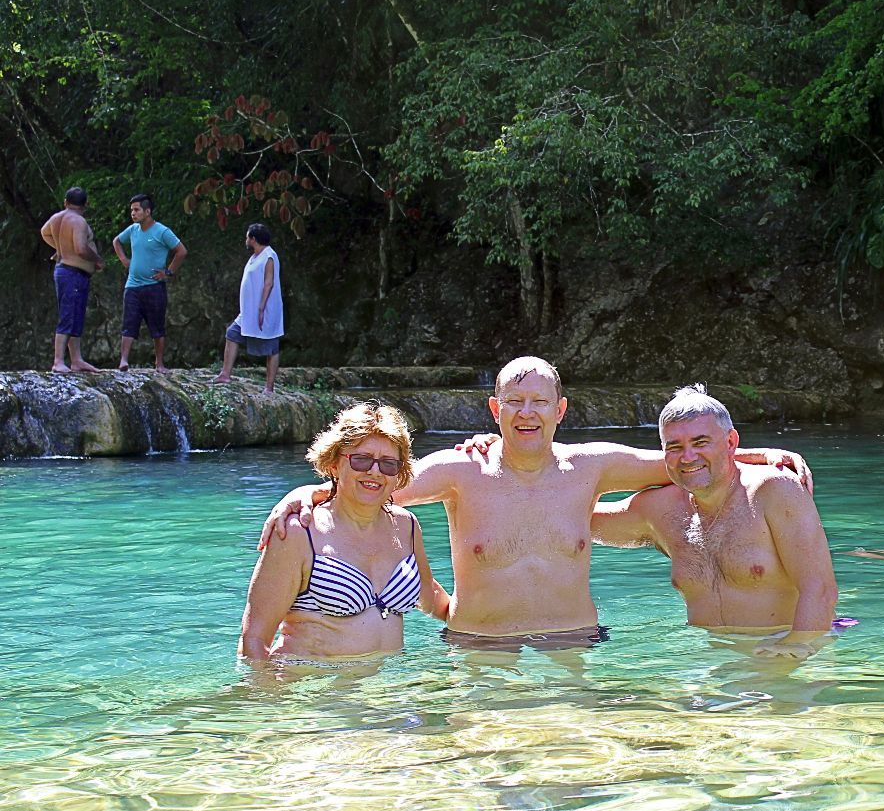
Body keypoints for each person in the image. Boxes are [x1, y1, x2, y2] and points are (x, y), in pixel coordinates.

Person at [260, 356, 810, 650]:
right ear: (495, 409)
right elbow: (376, 485)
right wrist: (306, 490)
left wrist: (755, 453)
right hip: (479, 645)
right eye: (516, 402)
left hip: (576, 641)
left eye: (539, 402)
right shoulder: (459, 470)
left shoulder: (593, 466)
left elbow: (682, 462)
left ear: (560, 409)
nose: (528, 413)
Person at [591, 385, 840, 660]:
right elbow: (574, 519)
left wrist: (794, 649)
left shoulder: (774, 489)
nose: (687, 457)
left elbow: (820, 590)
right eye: (674, 447)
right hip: (709, 662)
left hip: (785, 652)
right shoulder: (658, 510)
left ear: (731, 442)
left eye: (701, 443)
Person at [239, 403, 449, 662]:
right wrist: (268, 699)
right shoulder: (299, 532)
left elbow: (432, 598)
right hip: (312, 692)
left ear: (399, 473)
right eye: (361, 459)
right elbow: (254, 640)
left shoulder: (406, 526)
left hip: (388, 694)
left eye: (388, 464)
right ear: (335, 464)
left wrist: (494, 618)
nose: (374, 471)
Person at [112, 194, 187, 372]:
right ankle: (123, 360)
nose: (133, 213)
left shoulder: (162, 231)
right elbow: (116, 241)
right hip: (132, 285)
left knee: (157, 325)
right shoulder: (132, 230)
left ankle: (159, 363)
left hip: (154, 286)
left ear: (147, 211)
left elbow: (181, 251)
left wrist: (168, 271)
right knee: (129, 323)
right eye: (131, 210)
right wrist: (123, 259)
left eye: (136, 210)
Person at [212, 223, 283, 393]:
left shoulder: (269, 256)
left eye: (247, 237)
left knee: (271, 346)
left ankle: (269, 387)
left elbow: (268, 283)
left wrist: (261, 309)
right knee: (232, 333)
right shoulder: (255, 256)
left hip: (265, 309)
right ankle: (225, 374)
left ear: (253, 239)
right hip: (248, 312)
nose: (246, 240)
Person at [41, 186, 104, 373]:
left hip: (67, 270)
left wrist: (60, 247)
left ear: (66, 202)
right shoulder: (78, 221)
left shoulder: (56, 218)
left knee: (76, 315)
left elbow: (44, 232)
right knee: (68, 314)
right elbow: (81, 248)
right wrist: (98, 260)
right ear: (84, 205)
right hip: (71, 272)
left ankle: (76, 360)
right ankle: (58, 361)